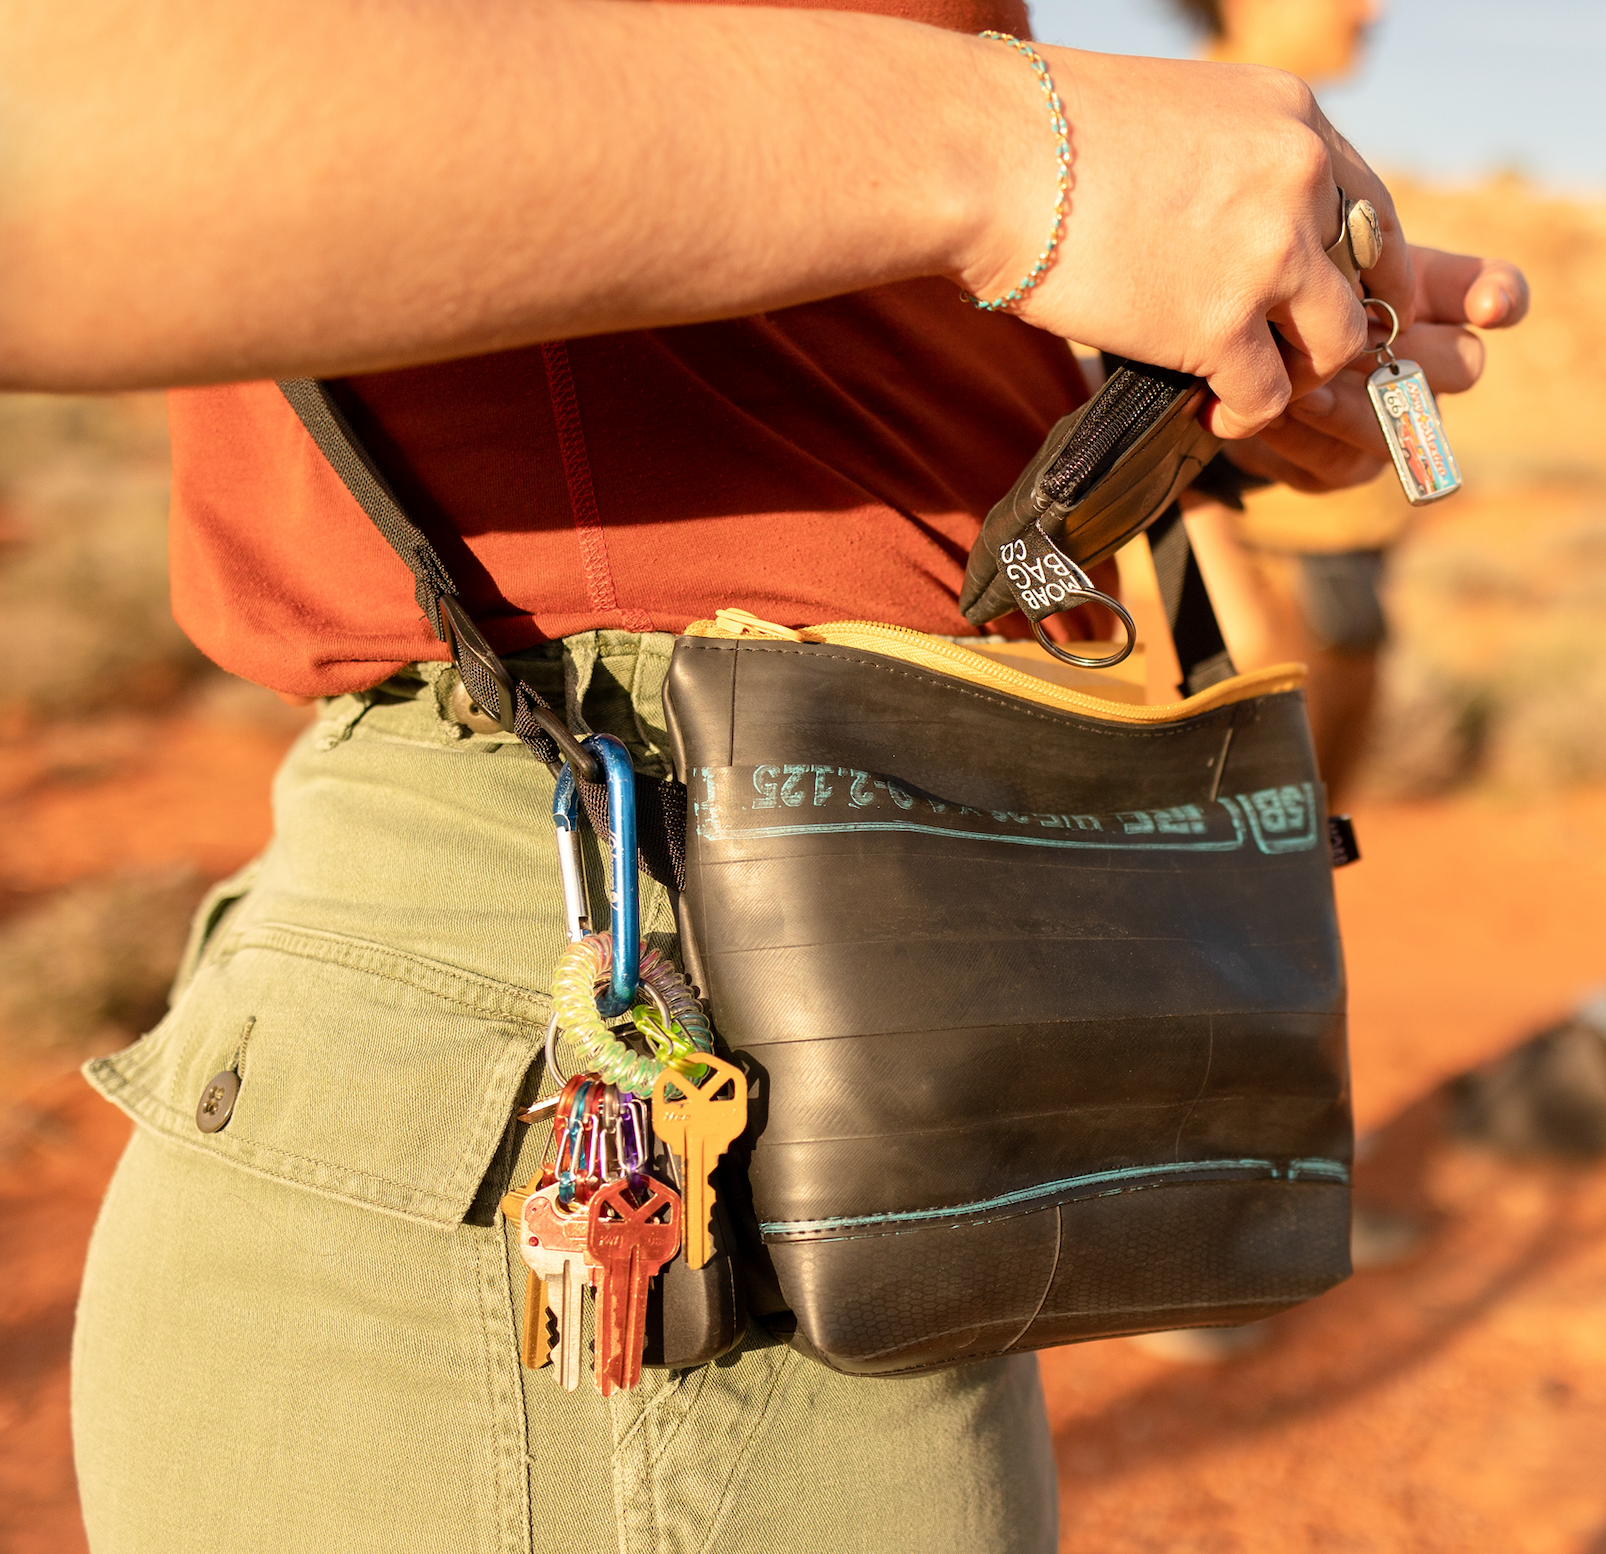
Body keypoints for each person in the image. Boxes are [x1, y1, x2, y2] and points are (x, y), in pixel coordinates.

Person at [0, 0, 1525, 1549]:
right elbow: (49, 145)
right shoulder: (992, 126)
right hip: (611, 1034)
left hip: (793, 995)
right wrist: (1023, 152)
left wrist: (1177, 375)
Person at [1165, 0, 1506, 802]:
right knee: (1238, 883)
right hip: (1254, 585)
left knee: (1301, 876)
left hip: (1332, 570)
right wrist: (1216, 595)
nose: (1371, 10)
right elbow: (1141, 378)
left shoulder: (1299, 149)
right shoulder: (1188, 134)